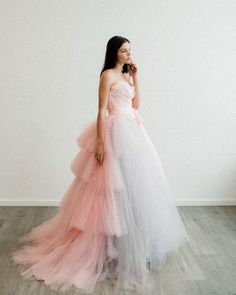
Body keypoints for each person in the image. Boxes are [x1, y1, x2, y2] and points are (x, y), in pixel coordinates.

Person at [11, 35, 190, 294]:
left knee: (133, 188)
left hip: (134, 132)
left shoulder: (128, 76)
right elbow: (102, 111)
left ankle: (129, 244)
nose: (129, 54)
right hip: (115, 132)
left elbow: (136, 104)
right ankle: (105, 246)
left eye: (130, 50)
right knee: (109, 189)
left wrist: (136, 78)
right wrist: (99, 143)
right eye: (124, 51)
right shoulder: (107, 76)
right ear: (114, 53)